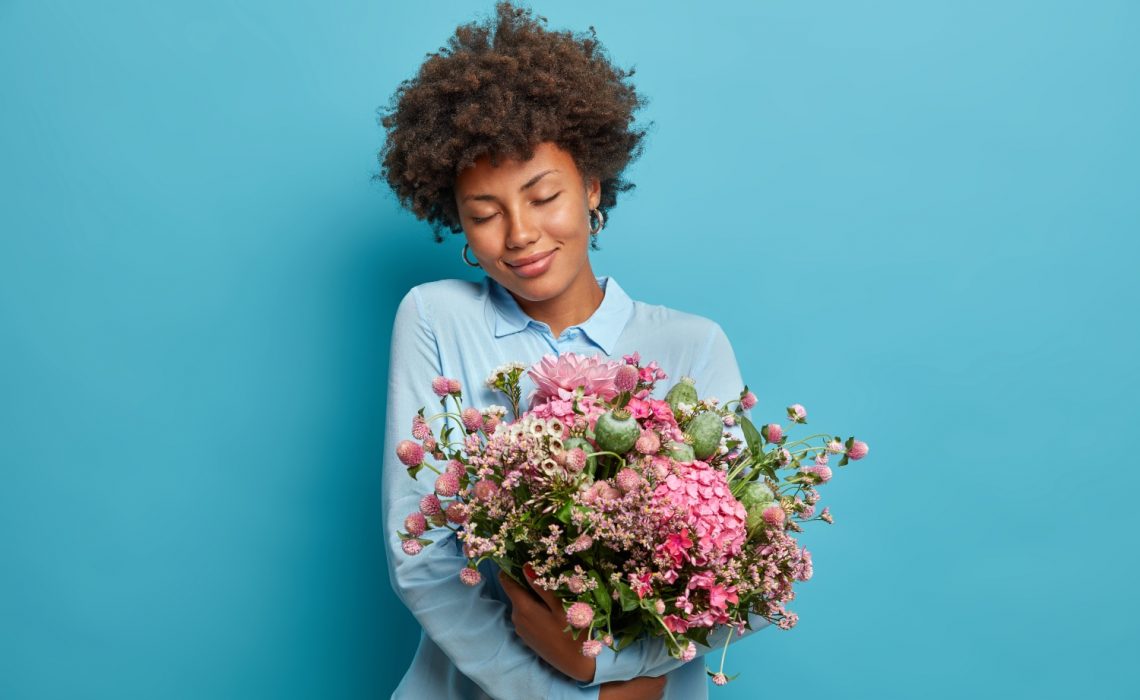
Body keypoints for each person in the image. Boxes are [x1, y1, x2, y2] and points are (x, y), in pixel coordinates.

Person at [376, 3, 769, 698]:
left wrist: (608, 665)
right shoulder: (437, 318)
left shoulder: (691, 345)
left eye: (543, 195)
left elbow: (754, 579)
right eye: (485, 213)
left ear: (591, 187)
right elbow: (424, 561)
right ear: (458, 224)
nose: (520, 233)